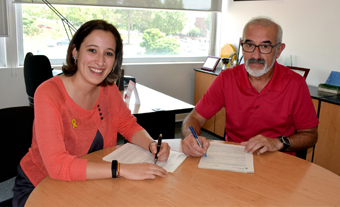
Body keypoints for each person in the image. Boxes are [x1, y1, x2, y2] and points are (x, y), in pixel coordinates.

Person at [12, 20, 170, 206]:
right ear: (75, 51)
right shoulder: (49, 93)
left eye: (108, 53)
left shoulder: (108, 89)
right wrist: (122, 170)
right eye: (92, 50)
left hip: (89, 181)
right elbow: (57, 166)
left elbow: (127, 124)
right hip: (42, 186)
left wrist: (150, 143)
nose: (100, 61)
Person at [182, 17, 319, 157]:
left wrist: (278, 142)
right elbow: (194, 119)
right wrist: (190, 137)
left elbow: (310, 135)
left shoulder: (295, 84)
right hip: (235, 156)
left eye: (265, 46)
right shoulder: (226, 78)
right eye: (249, 45)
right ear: (242, 45)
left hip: (278, 158)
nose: (255, 55)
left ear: (278, 50)